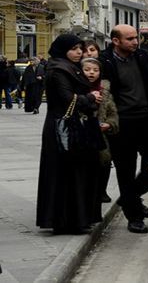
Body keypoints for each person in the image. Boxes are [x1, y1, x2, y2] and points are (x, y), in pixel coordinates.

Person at [99, 25, 148, 234]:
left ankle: (129, 198)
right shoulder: (105, 61)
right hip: (122, 123)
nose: (135, 42)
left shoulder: (144, 56)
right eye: (130, 39)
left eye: (136, 38)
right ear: (116, 41)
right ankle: (134, 216)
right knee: (125, 170)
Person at [36, 34, 103, 234]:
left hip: (76, 128)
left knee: (77, 174)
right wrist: (90, 96)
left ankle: (78, 219)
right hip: (62, 128)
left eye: (80, 49)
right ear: (63, 49)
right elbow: (68, 99)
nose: (79, 53)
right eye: (74, 49)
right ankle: (65, 220)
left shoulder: (69, 67)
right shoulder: (58, 70)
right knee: (64, 174)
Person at [82, 55, 118, 204]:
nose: (91, 73)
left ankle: (99, 192)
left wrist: (109, 124)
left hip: (99, 136)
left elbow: (113, 112)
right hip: (81, 135)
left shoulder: (105, 90)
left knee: (102, 163)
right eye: (87, 70)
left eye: (95, 70)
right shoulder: (77, 89)